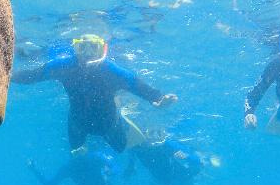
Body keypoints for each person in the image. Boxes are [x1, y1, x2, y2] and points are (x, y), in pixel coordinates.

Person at [13, 34, 177, 152]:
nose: (87, 52)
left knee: (119, 149)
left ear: (102, 49)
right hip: (78, 122)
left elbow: (137, 85)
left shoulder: (111, 71)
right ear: (75, 48)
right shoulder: (64, 66)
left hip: (109, 123)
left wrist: (158, 98)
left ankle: (121, 115)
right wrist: (7, 76)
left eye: (94, 47)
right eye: (82, 46)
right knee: (76, 151)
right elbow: (33, 75)